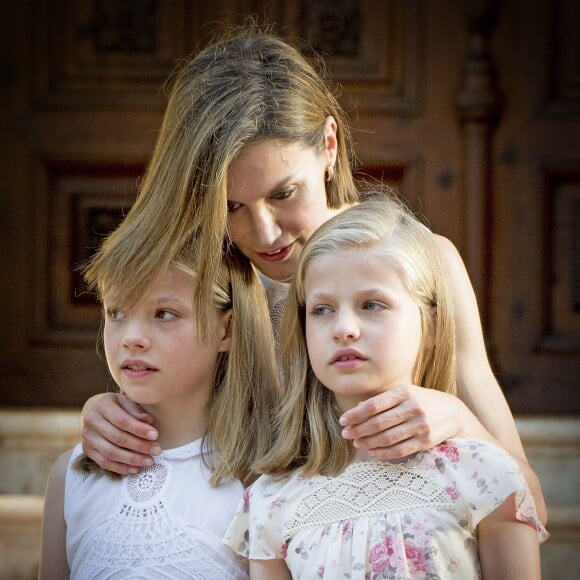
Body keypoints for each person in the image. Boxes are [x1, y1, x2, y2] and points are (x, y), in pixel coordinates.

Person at [78, 24, 546, 522]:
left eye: (283, 194)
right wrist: (111, 418)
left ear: (329, 144)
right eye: (230, 206)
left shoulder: (424, 262)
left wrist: (458, 420)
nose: (264, 233)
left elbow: (530, 499)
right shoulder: (208, 294)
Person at [224, 198, 548, 579]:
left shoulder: (484, 472)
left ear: (430, 325)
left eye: (372, 304)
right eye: (322, 309)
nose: (344, 328)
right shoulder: (272, 501)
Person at [38, 231, 280, 578]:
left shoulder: (260, 477)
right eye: (117, 311)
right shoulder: (70, 476)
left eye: (164, 313)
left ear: (225, 330)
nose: (132, 338)